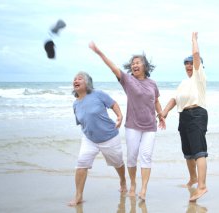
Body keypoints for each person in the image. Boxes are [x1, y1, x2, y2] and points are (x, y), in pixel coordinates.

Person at [89, 42, 165, 201]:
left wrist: (161, 115)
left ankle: (143, 189)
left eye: (138, 62)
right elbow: (113, 67)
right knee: (131, 157)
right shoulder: (127, 80)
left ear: (145, 66)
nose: (135, 65)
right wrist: (99, 52)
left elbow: (156, 100)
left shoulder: (152, 84)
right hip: (133, 126)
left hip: (150, 126)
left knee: (146, 156)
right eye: (133, 63)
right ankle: (132, 184)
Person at [160, 32, 208, 202]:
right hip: (184, 116)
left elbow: (196, 55)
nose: (189, 66)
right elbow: (174, 99)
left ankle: (202, 186)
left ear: (198, 65)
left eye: (191, 63)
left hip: (197, 114)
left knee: (199, 151)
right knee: (188, 152)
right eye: (186, 64)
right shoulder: (183, 83)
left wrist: (194, 39)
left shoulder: (199, 76)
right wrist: (164, 112)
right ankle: (193, 179)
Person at [68, 71, 126, 206]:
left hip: (109, 137)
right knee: (81, 164)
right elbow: (82, 121)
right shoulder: (75, 104)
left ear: (87, 83)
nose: (76, 81)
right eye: (74, 79)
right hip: (89, 139)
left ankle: (123, 180)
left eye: (79, 79)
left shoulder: (98, 94)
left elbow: (113, 104)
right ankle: (78, 196)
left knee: (117, 162)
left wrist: (119, 116)